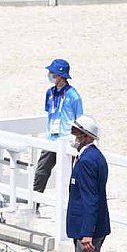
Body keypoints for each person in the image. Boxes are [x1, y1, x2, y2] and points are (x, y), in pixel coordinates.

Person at [65, 115, 114, 252]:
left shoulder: (86, 162)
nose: (73, 136)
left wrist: (87, 233)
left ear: (85, 137)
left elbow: (90, 199)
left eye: (76, 132)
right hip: (93, 225)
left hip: (88, 228)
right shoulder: (95, 157)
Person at [33, 59, 84, 201]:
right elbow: (50, 113)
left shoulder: (73, 95)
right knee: (41, 171)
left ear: (60, 75)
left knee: (73, 174)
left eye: (52, 73)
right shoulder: (49, 93)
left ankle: (74, 203)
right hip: (51, 138)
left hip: (68, 139)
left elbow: (79, 118)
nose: (49, 75)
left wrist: (77, 140)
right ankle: (35, 202)